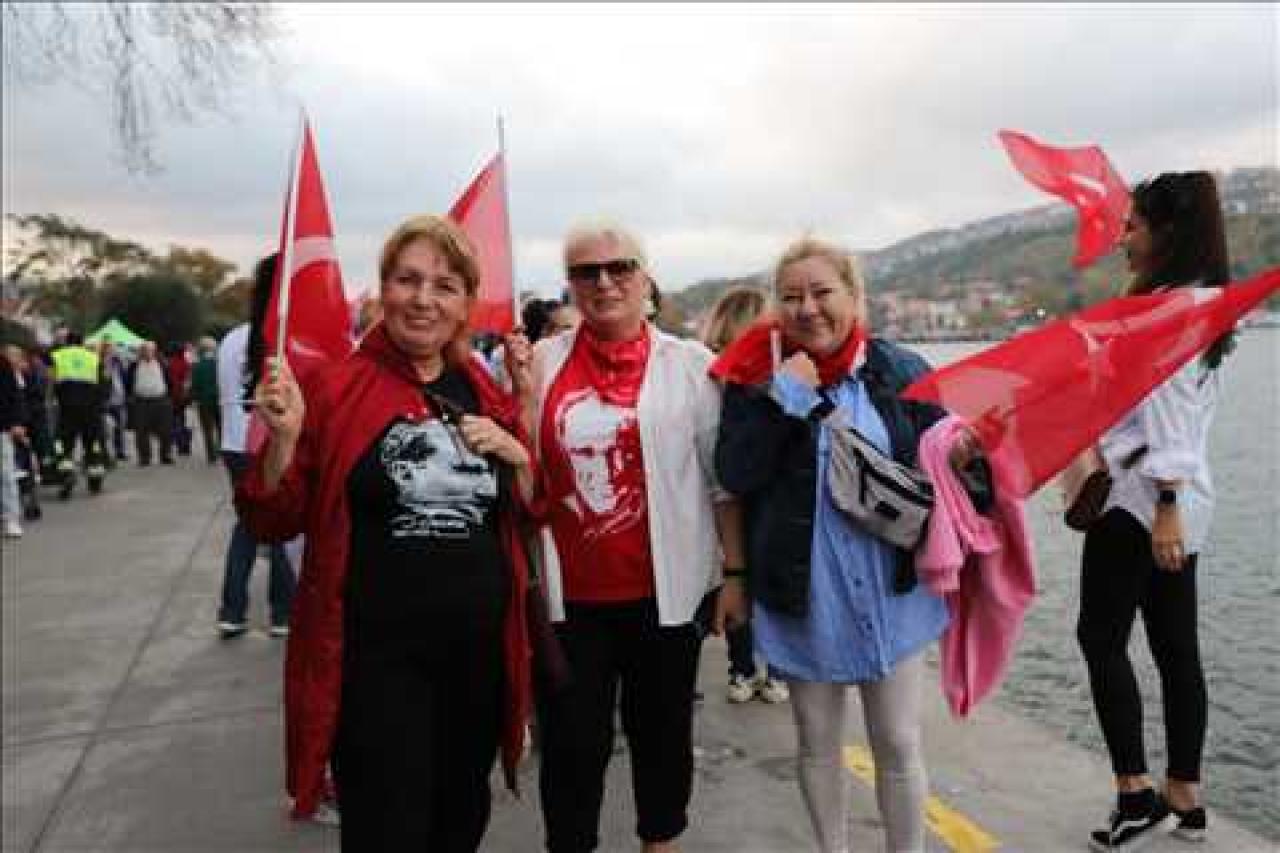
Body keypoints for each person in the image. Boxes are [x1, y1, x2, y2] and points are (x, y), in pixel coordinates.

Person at [236, 214, 538, 851]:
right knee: (386, 830)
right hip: (377, 669)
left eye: (445, 286)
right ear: (383, 290)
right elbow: (270, 518)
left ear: (466, 304)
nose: (424, 299)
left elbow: (532, 510)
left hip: (477, 662)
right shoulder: (334, 388)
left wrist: (521, 439)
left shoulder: (481, 388)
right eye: (408, 279)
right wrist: (283, 440)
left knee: (459, 823)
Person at [508, 221, 743, 853]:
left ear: (646, 279)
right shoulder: (540, 363)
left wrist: (735, 575)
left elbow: (722, 484)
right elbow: (521, 472)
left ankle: (659, 844)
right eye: (587, 271)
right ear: (570, 284)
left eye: (620, 268)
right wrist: (522, 399)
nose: (605, 282)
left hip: (667, 595)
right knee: (571, 749)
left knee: (662, 739)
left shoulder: (691, 367)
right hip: (569, 602)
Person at [714, 237, 954, 853]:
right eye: (791, 296)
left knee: (898, 740)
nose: (808, 309)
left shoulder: (902, 370)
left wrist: (966, 455)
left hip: (893, 586)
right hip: (805, 589)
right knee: (817, 742)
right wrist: (784, 401)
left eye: (822, 292)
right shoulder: (753, 378)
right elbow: (735, 473)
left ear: (854, 295)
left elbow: (943, 466)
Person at [1077, 172, 1234, 850]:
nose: (1122, 238)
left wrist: (1164, 502)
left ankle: (1134, 793)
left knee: (1100, 637)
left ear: (1167, 232)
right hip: (1184, 497)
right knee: (1176, 647)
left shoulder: (1167, 312)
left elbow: (1167, 413)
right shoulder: (1206, 301)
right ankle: (1186, 797)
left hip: (1142, 499)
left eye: (1133, 225)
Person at [698, 286, 791, 705]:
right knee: (763, 580)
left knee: (736, 580)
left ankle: (742, 670)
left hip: (724, 500)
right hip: (762, 498)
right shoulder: (770, 380)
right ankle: (775, 671)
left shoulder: (710, 375)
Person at [215, 256, 295, 639]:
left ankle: (232, 611)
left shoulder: (231, 339)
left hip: (234, 443)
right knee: (281, 525)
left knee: (247, 525)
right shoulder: (281, 339)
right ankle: (282, 612)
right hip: (268, 441)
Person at [49, 331, 108, 497]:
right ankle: (95, 479)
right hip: (91, 410)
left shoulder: (57, 356)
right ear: (82, 343)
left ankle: (66, 475)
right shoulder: (94, 358)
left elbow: (51, 382)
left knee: (64, 444)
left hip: (67, 408)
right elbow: (103, 384)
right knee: (92, 444)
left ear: (66, 342)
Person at [126, 341, 174, 466]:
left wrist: (169, 397)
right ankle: (144, 457)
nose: (148, 353)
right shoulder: (134, 365)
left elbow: (169, 380)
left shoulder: (162, 364)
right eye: (146, 350)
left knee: (165, 430)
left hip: (161, 400)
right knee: (141, 431)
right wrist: (130, 398)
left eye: (151, 350)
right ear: (141, 352)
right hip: (141, 401)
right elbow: (128, 382)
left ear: (155, 352)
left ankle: (165, 455)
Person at [0, 344, 27, 538]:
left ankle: (11, 518)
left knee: (6, 474)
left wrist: (16, 422)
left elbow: (13, 394)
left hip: (2, 427)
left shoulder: (3, 364)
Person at [191, 336, 221, 464]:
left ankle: (211, 455)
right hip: (219, 400)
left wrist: (194, 399)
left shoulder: (197, 366)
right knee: (221, 427)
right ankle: (222, 450)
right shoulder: (219, 364)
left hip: (203, 402)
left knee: (207, 429)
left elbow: (195, 384)